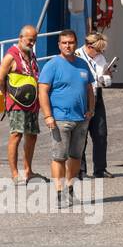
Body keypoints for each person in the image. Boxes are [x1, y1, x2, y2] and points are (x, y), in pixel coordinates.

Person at [37, 30, 95, 207]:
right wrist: (48, 116)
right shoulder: (52, 65)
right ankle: (59, 192)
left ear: (75, 43)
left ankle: (71, 189)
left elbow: (89, 89)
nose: (68, 46)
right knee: (59, 157)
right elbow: (43, 91)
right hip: (60, 119)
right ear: (59, 45)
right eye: (64, 43)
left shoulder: (82, 65)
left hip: (81, 119)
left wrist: (91, 110)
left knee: (76, 156)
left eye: (71, 42)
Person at [2, 25, 44, 184]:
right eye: (29, 39)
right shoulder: (11, 56)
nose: (32, 42)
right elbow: (1, 77)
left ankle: (28, 171)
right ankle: (14, 174)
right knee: (16, 135)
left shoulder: (30, 54)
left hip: (32, 102)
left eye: (34, 40)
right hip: (17, 102)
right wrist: (7, 96)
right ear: (20, 38)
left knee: (32, 136)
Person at [77, 32, 115, 179]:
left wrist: (107, 78)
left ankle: (100, 169)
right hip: (82, 98)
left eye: (102, 51)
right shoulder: (77, 56)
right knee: (81, 135)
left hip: (97, 96)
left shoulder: (100, 57)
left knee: (101, 134)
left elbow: (104, 74)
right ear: (89, 46)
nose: (100, 53)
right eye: (98, 50)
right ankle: (80, 170)